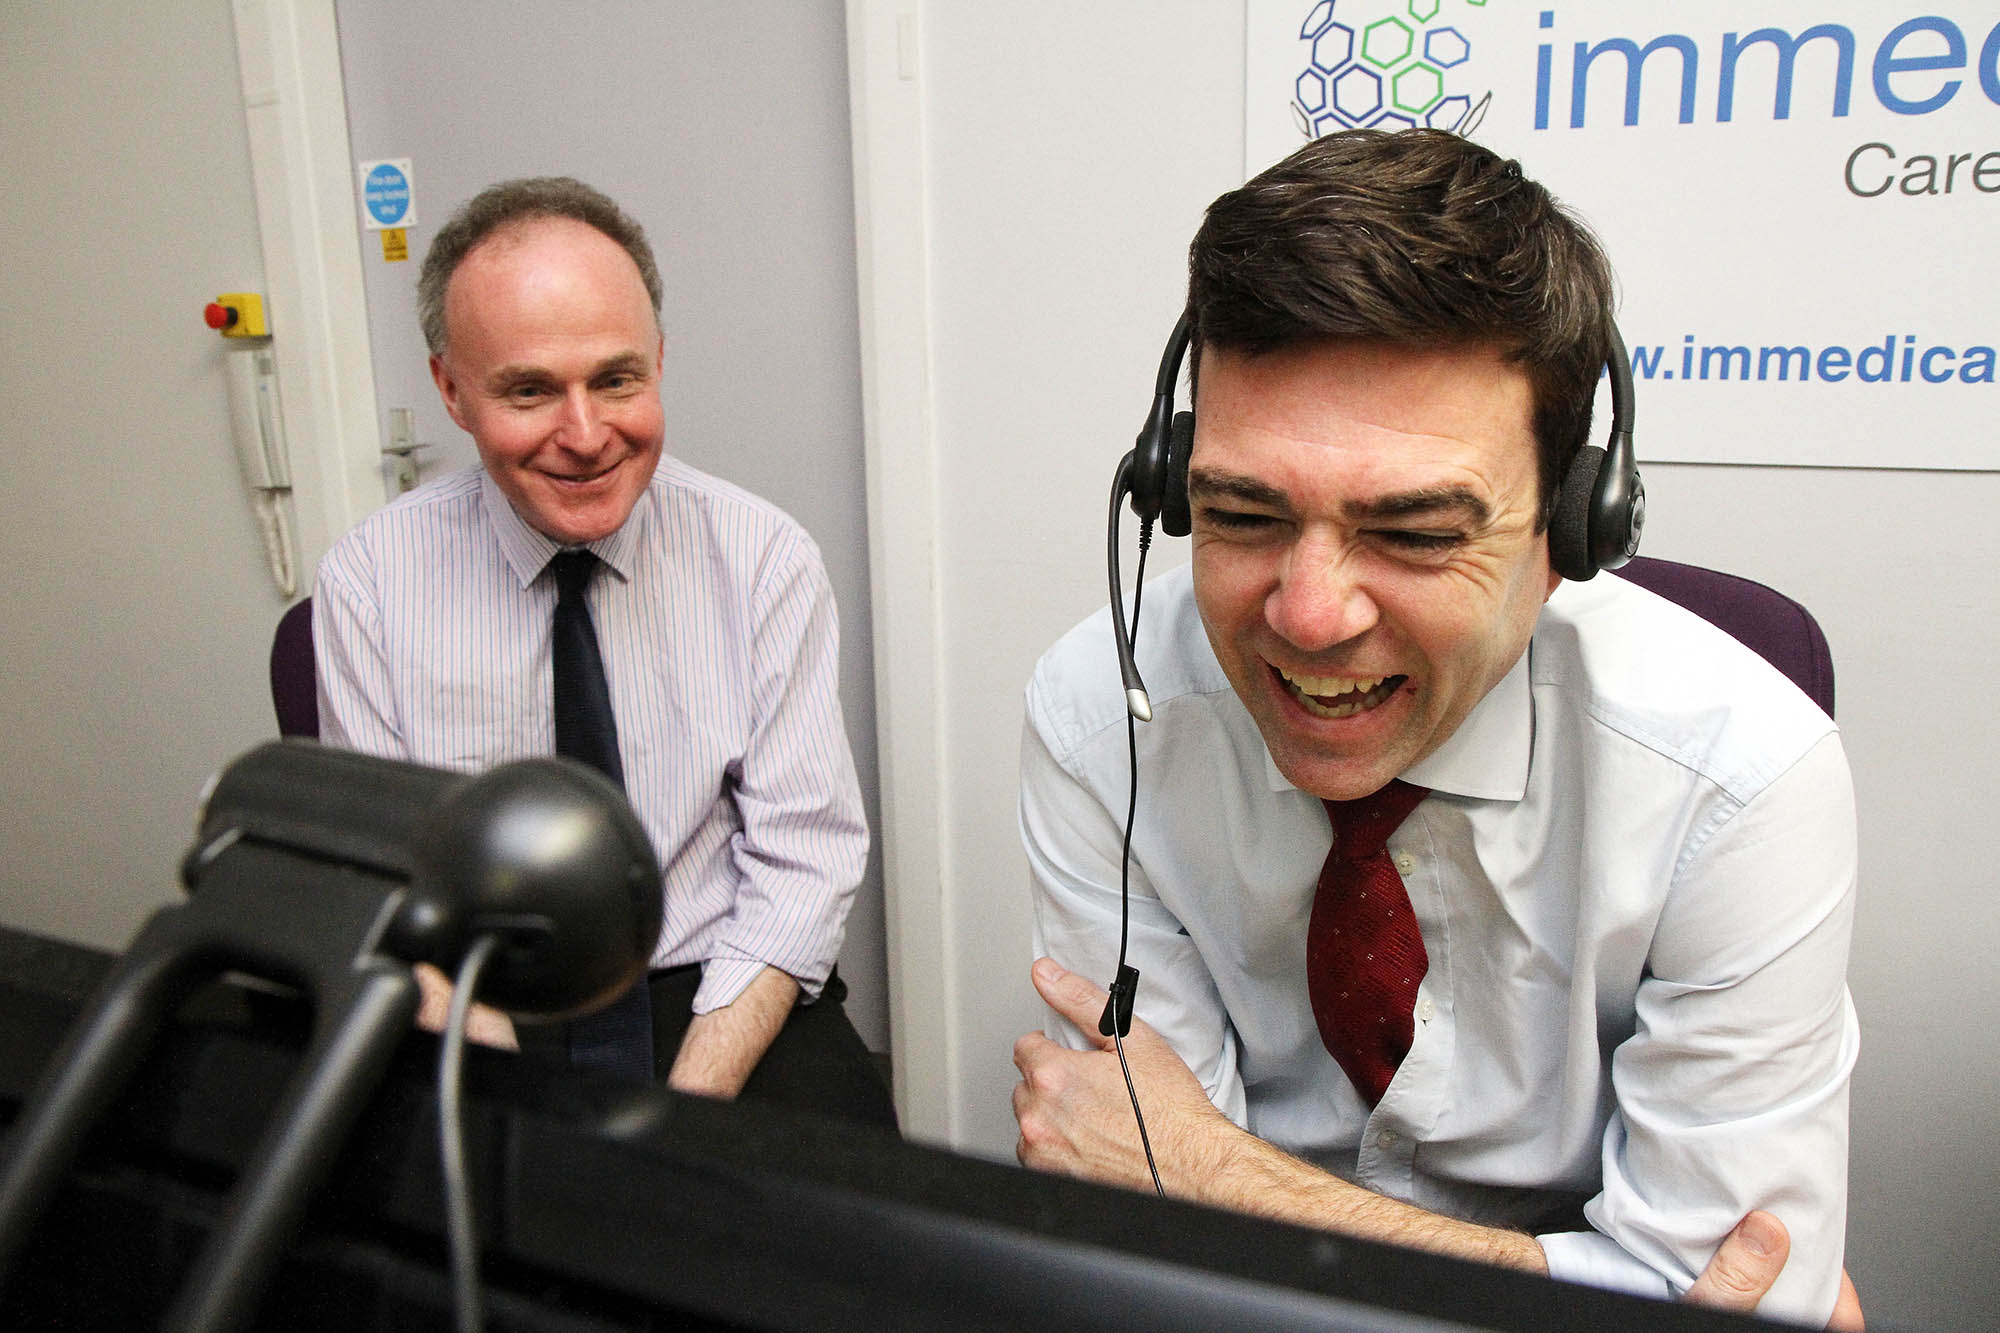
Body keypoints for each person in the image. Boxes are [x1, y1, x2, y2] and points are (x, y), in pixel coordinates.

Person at [1011, 131, 1859, 1326]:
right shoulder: (1104, 712)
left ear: (1576, 528)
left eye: (1411, 532)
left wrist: (1217, 1174)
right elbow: (1156, 1245)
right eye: (1241, 512)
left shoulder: (1740, 776)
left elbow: (1732, 1300)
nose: (1306, 617)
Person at [314, 177, 893, 1127]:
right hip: (480, 990)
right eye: (530, 390)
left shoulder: (761, 558)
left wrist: (677, 1115)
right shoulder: (369, 584)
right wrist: (513, 1097)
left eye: (616, 379)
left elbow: (804, 856)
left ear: (659, 361)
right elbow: (388, 882)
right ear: (452, 391)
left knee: (861, 1230)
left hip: (715, 974)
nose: (585, 437)